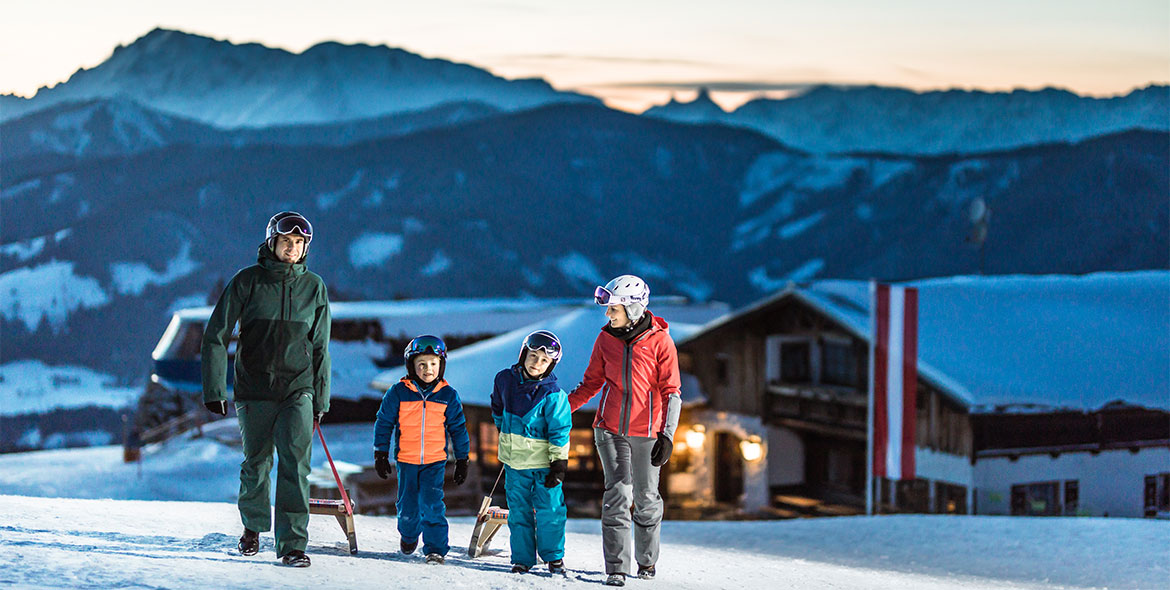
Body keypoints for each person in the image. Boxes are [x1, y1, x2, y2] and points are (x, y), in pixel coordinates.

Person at [201, 211, 331, 568]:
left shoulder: (314, 287)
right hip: (254, 388)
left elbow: (321, 347)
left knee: (295, 464)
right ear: (272, 242)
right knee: (257, 462)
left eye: (299, 243)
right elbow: (216, 335)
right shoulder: (248, 281)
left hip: (298, 388)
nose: (292, 249)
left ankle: (292, 545)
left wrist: (321, 396)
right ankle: (253, 527)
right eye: (286, 242)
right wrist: (215, 389)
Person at [568, 275, 681, 587]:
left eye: (613, 308)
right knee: (618, 493)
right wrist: (560, 411)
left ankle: (647, 562)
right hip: (610, 429)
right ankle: (616, 568)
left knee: (646, 497)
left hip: (648, 432)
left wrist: (668, 434)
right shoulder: (605, 339)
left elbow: (672, 391)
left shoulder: (661, 341)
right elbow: (590, 383)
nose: (607, 314)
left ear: (632, 308)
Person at [373, 335, 470, 565]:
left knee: (432, 503)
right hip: (406, 460)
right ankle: (408, 535)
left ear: (441, 366)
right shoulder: (398, 392)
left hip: (434, 461)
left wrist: (463, 459)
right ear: (412, 366)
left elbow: (458, 428)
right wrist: (380, 453)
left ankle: (435, 548)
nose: (428, 369)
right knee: (407, 505)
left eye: (433, 364)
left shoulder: (448, 395)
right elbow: (384, 422)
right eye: (422, 364)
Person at [491, 330, 572, 575]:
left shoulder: (553, 395)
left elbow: (560, 430)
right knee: (518, 513)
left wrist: (559, 464)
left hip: (543, 466)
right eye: (534, 356)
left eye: (544, 360)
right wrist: (504, 433)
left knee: (550, 511)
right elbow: (497, 408)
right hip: (515, 464)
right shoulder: (504, 379)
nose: (537, 363)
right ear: (524, 354)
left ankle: (554, 557)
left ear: (551, 365)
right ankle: (522, 559)